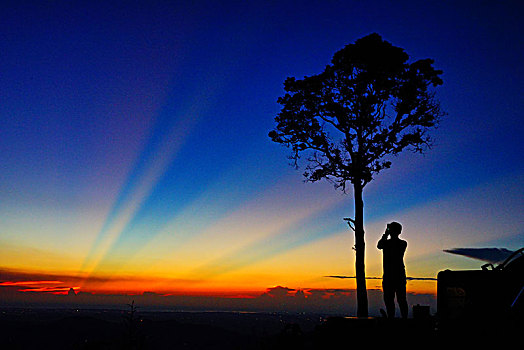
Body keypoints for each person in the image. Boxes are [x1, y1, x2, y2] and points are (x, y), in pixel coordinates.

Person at [377, 221, 408, 319]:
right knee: (395, 299)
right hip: (396, 275)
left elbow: (379, 245)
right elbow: (379, 245)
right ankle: (397, 318)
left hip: (392, 276)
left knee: (396, 299)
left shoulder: (400, 243)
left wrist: (385, 234)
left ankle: (394, 319)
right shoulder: (402, 243)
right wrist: (386, 234)